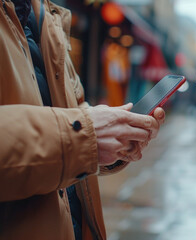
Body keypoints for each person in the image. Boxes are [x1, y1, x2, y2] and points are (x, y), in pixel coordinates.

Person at [0, 0, 165, 239]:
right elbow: (77, 128)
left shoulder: (45, 16)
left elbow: (73, 109)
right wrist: (85, 136)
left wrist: (114, 138)